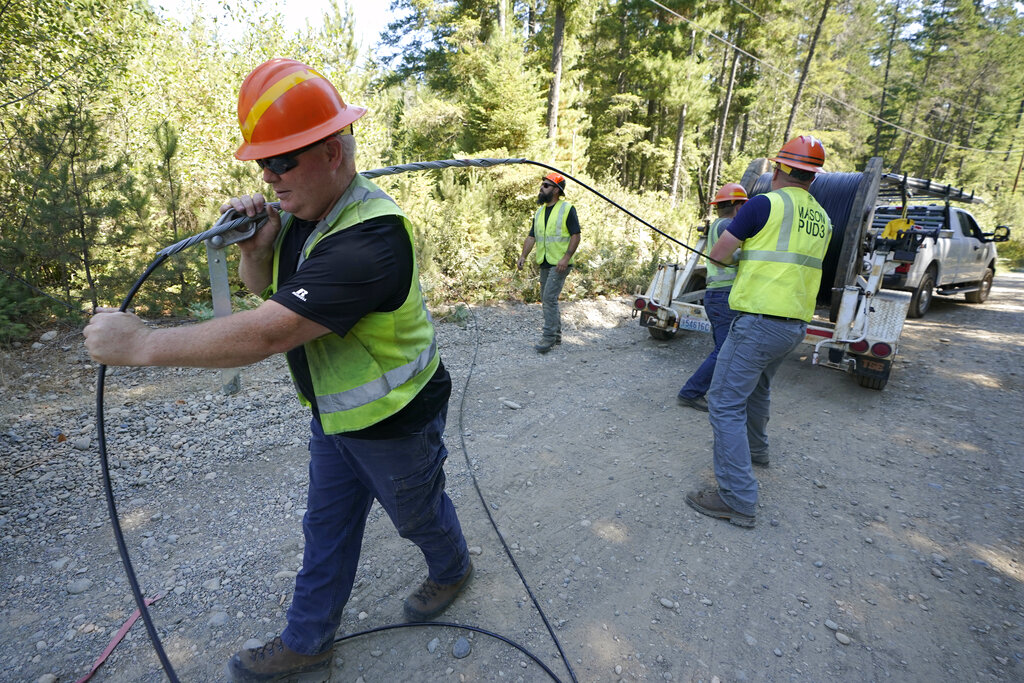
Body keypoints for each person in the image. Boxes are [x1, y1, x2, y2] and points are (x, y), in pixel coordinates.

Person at [83, 58, 473, 682]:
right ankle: (308, 638)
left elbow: (270, 332)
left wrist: (140, 346)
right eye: (264, 163)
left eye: (284, 160)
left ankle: (451, 567)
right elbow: (268, 293)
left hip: (398, 420)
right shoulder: (303, 217)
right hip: (336, 415)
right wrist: (257, 249)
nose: (268, 175)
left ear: (335, 155)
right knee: (325, 530)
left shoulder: (371, 242)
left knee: (418, 514)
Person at [685, 136, 833, 528]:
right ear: (813, 177)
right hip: (794, 325)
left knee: (723, 401)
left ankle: (735, 498)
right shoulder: (822, 217)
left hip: (759, 321)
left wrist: (743, 255)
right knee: (759, 389)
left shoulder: (764, 203)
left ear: (780, 169)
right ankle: (757, 451)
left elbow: (718, 254)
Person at [676, 183, 748, 412]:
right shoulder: (730, 225)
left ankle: (714, 391)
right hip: (724, 295)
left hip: (717, 294)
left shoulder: (719, 224)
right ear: (738, 206)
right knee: (725, 350)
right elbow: (735, 255)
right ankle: (691, 392)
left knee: (724, 349)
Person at [516, 172, 581, 353]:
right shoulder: (539, 212)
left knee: (548, 299)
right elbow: (531, 236)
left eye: (546, 185)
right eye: (542, 185)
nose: (541, 188)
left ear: (556, 190)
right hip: (544, 261)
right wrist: (523, 256)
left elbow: (576, 235)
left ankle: (548, 338)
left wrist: (566, 257)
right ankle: (557, 335)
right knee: (548, 300)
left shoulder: (567, 209)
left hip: (560, 263)